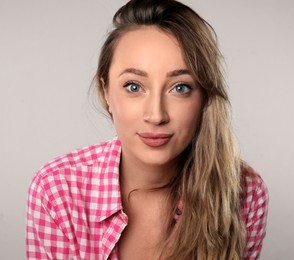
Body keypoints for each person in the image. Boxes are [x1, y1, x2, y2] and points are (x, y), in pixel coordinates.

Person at [26, 0, 268, 259]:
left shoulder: (244, 193)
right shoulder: (57, 190)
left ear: (205, 97)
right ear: (106, 90)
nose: (156, 115)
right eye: (133, 86)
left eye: (180, 87)